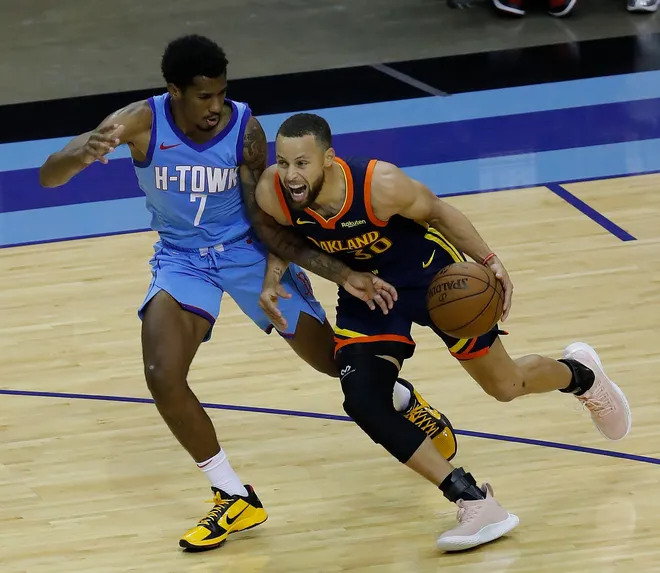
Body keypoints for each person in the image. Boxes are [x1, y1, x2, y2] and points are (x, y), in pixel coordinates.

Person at [38, 35, 458, 552]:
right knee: (162, 375)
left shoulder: (246, 130)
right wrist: (81, 151)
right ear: (174, 91)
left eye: (221, 94)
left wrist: (308, 273)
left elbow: (271, 216)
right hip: (182, 259)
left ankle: (400, 397)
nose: (216, 107)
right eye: (203, 97)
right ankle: (233, 495)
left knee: (335, 363)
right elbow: (48, 176)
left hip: (248, 251)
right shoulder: (138, 123)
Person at [254, 112, 632, 552]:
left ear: (330, 160)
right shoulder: (274, 192)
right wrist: (273, 278)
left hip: (436, 282)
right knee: (361, 399)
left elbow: (439, 212)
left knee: (505, 386)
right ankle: (473, 500)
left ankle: (582, 375)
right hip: (368, 293)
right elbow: (282, 237)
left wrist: (490, 261)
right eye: (282, 163)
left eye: (302, 164)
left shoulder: (381, 185)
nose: (290, 175)